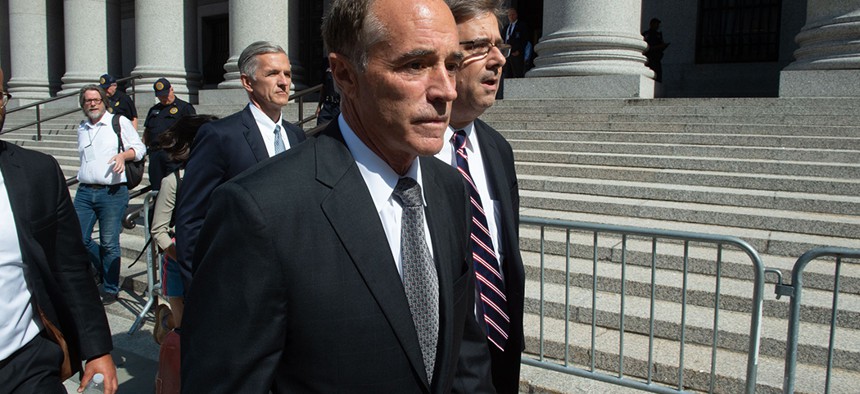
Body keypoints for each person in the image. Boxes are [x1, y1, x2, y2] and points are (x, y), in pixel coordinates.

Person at [180, 0, 494, 392]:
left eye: (451, 64)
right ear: (345, 74)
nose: (447, 90)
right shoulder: (259, 210)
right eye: (415, 65)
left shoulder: (450, 188)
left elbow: (465, 355)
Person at [0, 67, 118, 394]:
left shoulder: (37, 172)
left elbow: (68, 265)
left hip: (26, 362)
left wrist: (96, 348)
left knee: (108, 244)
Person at [437, 1, 525, 392]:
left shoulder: (497, 149)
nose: (498, 60)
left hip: (500, 355)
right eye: (479, 46)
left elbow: (505, 254)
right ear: (445, 56)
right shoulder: (406, 152)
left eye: (500, 47)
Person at [174, 41, 306, 292]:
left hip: (292, 281)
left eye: (287, 73)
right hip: (240, 283)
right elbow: (191, 220)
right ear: (248, 82)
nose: (283, 82)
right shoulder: (219, 136)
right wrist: (201, 292)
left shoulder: (297, 136)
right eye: (272, 74)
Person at [74, 85, 146, 305]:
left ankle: (110, 287)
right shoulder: (82, 127)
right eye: (88, 101)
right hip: (85, 192)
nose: (92, 104)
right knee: (78, 238)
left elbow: (140, 149)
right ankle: (102, 270)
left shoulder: (119, 122)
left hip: (112, 193)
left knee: (109, 243)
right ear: (83, 104)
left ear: (104, 101)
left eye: (96, 100)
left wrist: (123, 156)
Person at [150, 115, 216, 344]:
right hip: (179, 264)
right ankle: (166, 321)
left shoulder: (222, 177)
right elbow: (158, 230)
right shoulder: (173, 181)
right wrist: (182, 257)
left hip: (212, 264)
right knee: (184, 330)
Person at [143, 78, 196, 191]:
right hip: (156, 154)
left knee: (174, 188)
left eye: (166, 94)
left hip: (174, 154)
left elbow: (193, 132)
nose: (164, 98)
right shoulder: (154, 110)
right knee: (157, 188)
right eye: (160, 96)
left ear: (172, 89)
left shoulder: (184, 108)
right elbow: (147, 132)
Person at [502, 8, 529, 78]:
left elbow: (524, 40)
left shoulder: (521, 26)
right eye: (509, 15)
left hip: (516, 54)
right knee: (507, 74)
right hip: (507, 55)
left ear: (516, 15)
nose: (511, 16)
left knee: (517, 73)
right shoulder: (506, 28)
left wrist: (519, 51)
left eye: (513, 14)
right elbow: (502, 39)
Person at [315, 58, 341, 127]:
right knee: (320, 125)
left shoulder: (343, 65)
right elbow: (324, 87)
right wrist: (319, 106)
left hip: (339, 105)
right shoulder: (326, 64)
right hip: (327, 104)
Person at [643, 18, 670, 83]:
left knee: (658, 77)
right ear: (651, 24)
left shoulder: (658, 35)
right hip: (650, 58)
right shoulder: (647, 34)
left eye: (658, 24)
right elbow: (647, 47)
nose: (657, 26)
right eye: (656, 24)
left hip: (657, 59)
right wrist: (658, 47)